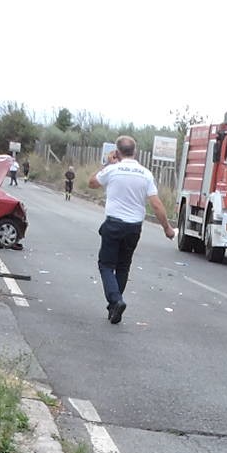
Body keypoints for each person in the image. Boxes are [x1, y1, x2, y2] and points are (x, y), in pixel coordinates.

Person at [92, 136, 173, 324]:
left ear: (117, 152)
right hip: (134, 228)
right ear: (135, 152)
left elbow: (92, 183)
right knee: (123, 266)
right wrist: (167, 228)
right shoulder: (145, 174)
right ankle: (114, 307)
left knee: (106, 265)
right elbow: (156, 204)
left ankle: (116, 300)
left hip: (113, 224)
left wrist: (106, 163)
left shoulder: (112, 170)